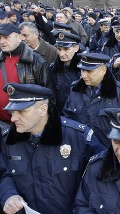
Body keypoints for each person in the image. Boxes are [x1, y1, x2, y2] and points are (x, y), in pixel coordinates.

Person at [0, 83, 98, 214]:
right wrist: (8, 194)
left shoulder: (78, 137)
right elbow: (4, 173)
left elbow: (99, 181)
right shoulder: (10, 140)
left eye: (22, 111)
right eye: (12, 112)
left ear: (42, 109)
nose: (13, 118)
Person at [63, 52, 120, 128]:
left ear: (103, 71)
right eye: (82, 70)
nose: (84, 76)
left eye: (89, 71)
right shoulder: (75, 89)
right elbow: (67, 118)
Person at [0, 23, 48, 131]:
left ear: (20, 37)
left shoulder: (36, 61)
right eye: (0, 38)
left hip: (25, 126)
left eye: (6, 37)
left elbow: (48, 96)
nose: (2, 41)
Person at [49, 31, 82, 113]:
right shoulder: (53, 69)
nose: (61, 54)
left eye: (66, 49)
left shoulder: (83, 70)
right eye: (59, 49)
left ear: (76, 48)